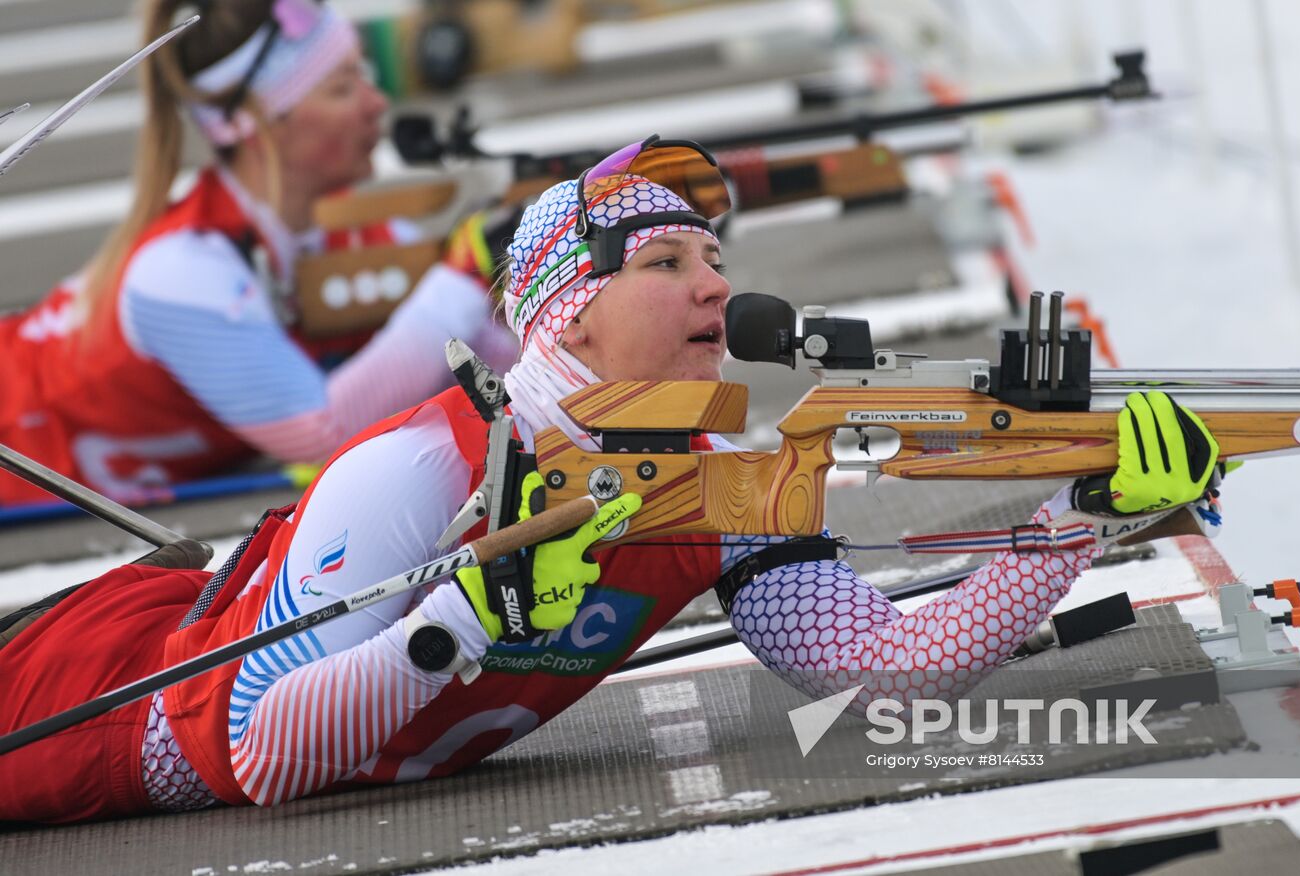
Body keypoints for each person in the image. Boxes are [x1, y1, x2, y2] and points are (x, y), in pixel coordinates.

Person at [0, 137, 1222, 823]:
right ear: (566, 319)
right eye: (665, 261)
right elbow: (254, 755)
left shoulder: (711, 484)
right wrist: (467, 621)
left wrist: (1075, 524)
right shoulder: (417, 466)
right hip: (103, 712)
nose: (712, 288)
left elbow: (879, 668)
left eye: (716, 260)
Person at [0, 0, 517, 506]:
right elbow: (320, 432)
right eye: (342, 87)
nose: (376, 102)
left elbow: (489, 349)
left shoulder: (343, 233)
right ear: (255, 122)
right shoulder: (180, 271)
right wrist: (466, 275)